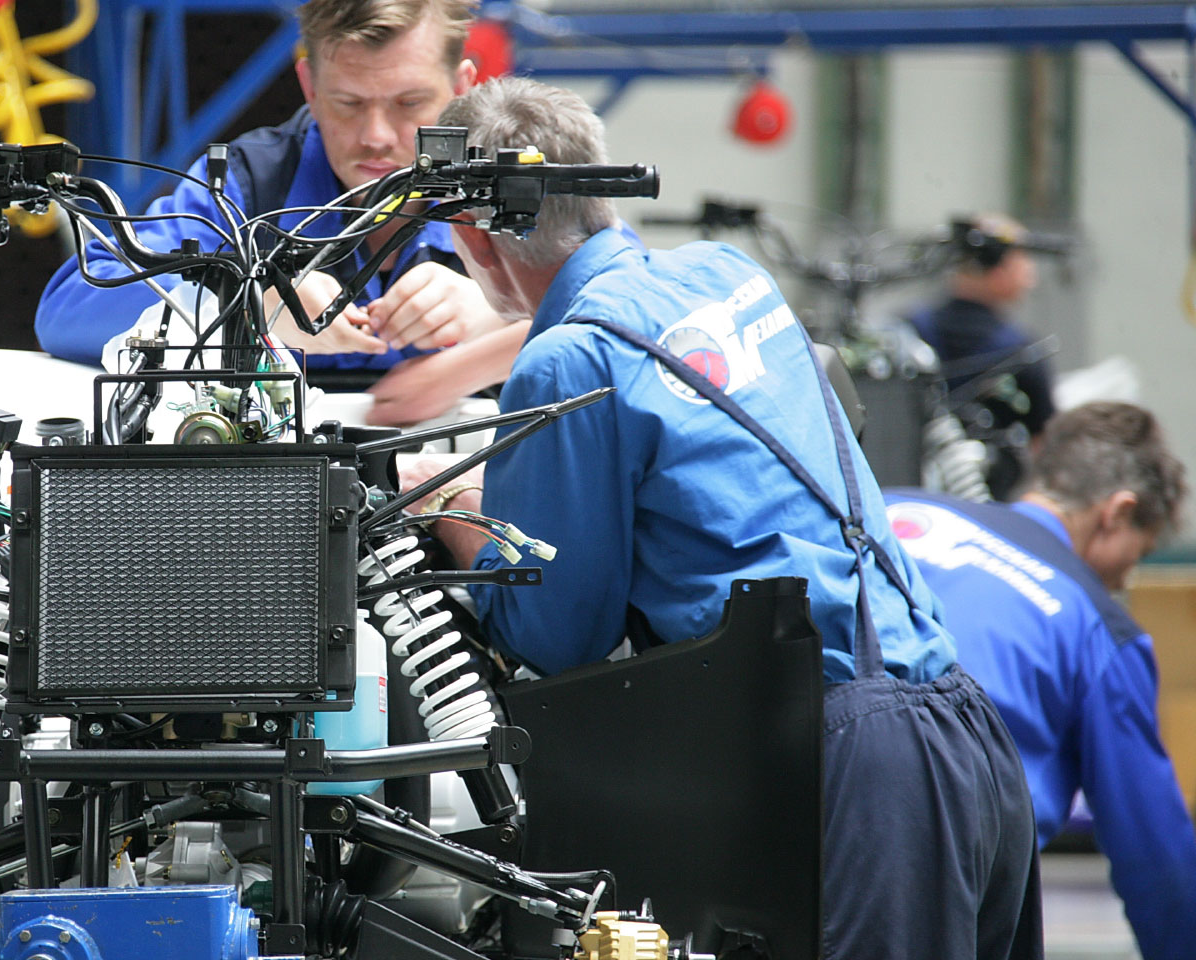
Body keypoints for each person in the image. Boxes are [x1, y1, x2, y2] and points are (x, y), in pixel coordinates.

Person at [409, 77, 1040, 957]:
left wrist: (456, 508)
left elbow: (558, 635)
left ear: (474, 235)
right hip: (963, 736)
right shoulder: (728, 275)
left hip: (854, 770)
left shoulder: (567, 361)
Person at [34, 0, 519, 424]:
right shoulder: (247, 182)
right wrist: (247, 306)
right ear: (309, 86)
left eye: (409, 102)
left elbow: (571, 313)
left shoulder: (509, 184)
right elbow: (67, 311)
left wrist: (502, 318)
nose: (376, 135)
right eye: (348, 103)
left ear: (462, 87)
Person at [886, 402, 1195, 960]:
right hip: (931, 875)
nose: (1125, 579)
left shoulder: (896, 508)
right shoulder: (1099, 627)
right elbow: (1155, 855)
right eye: (1140, 554)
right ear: (1117, 512)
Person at [911, 212, 1057, 498]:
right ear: (999, 269)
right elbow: (1044, 444)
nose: (1030, 278)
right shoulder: (1021, 349)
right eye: (1022, 262)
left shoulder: (907, 332)